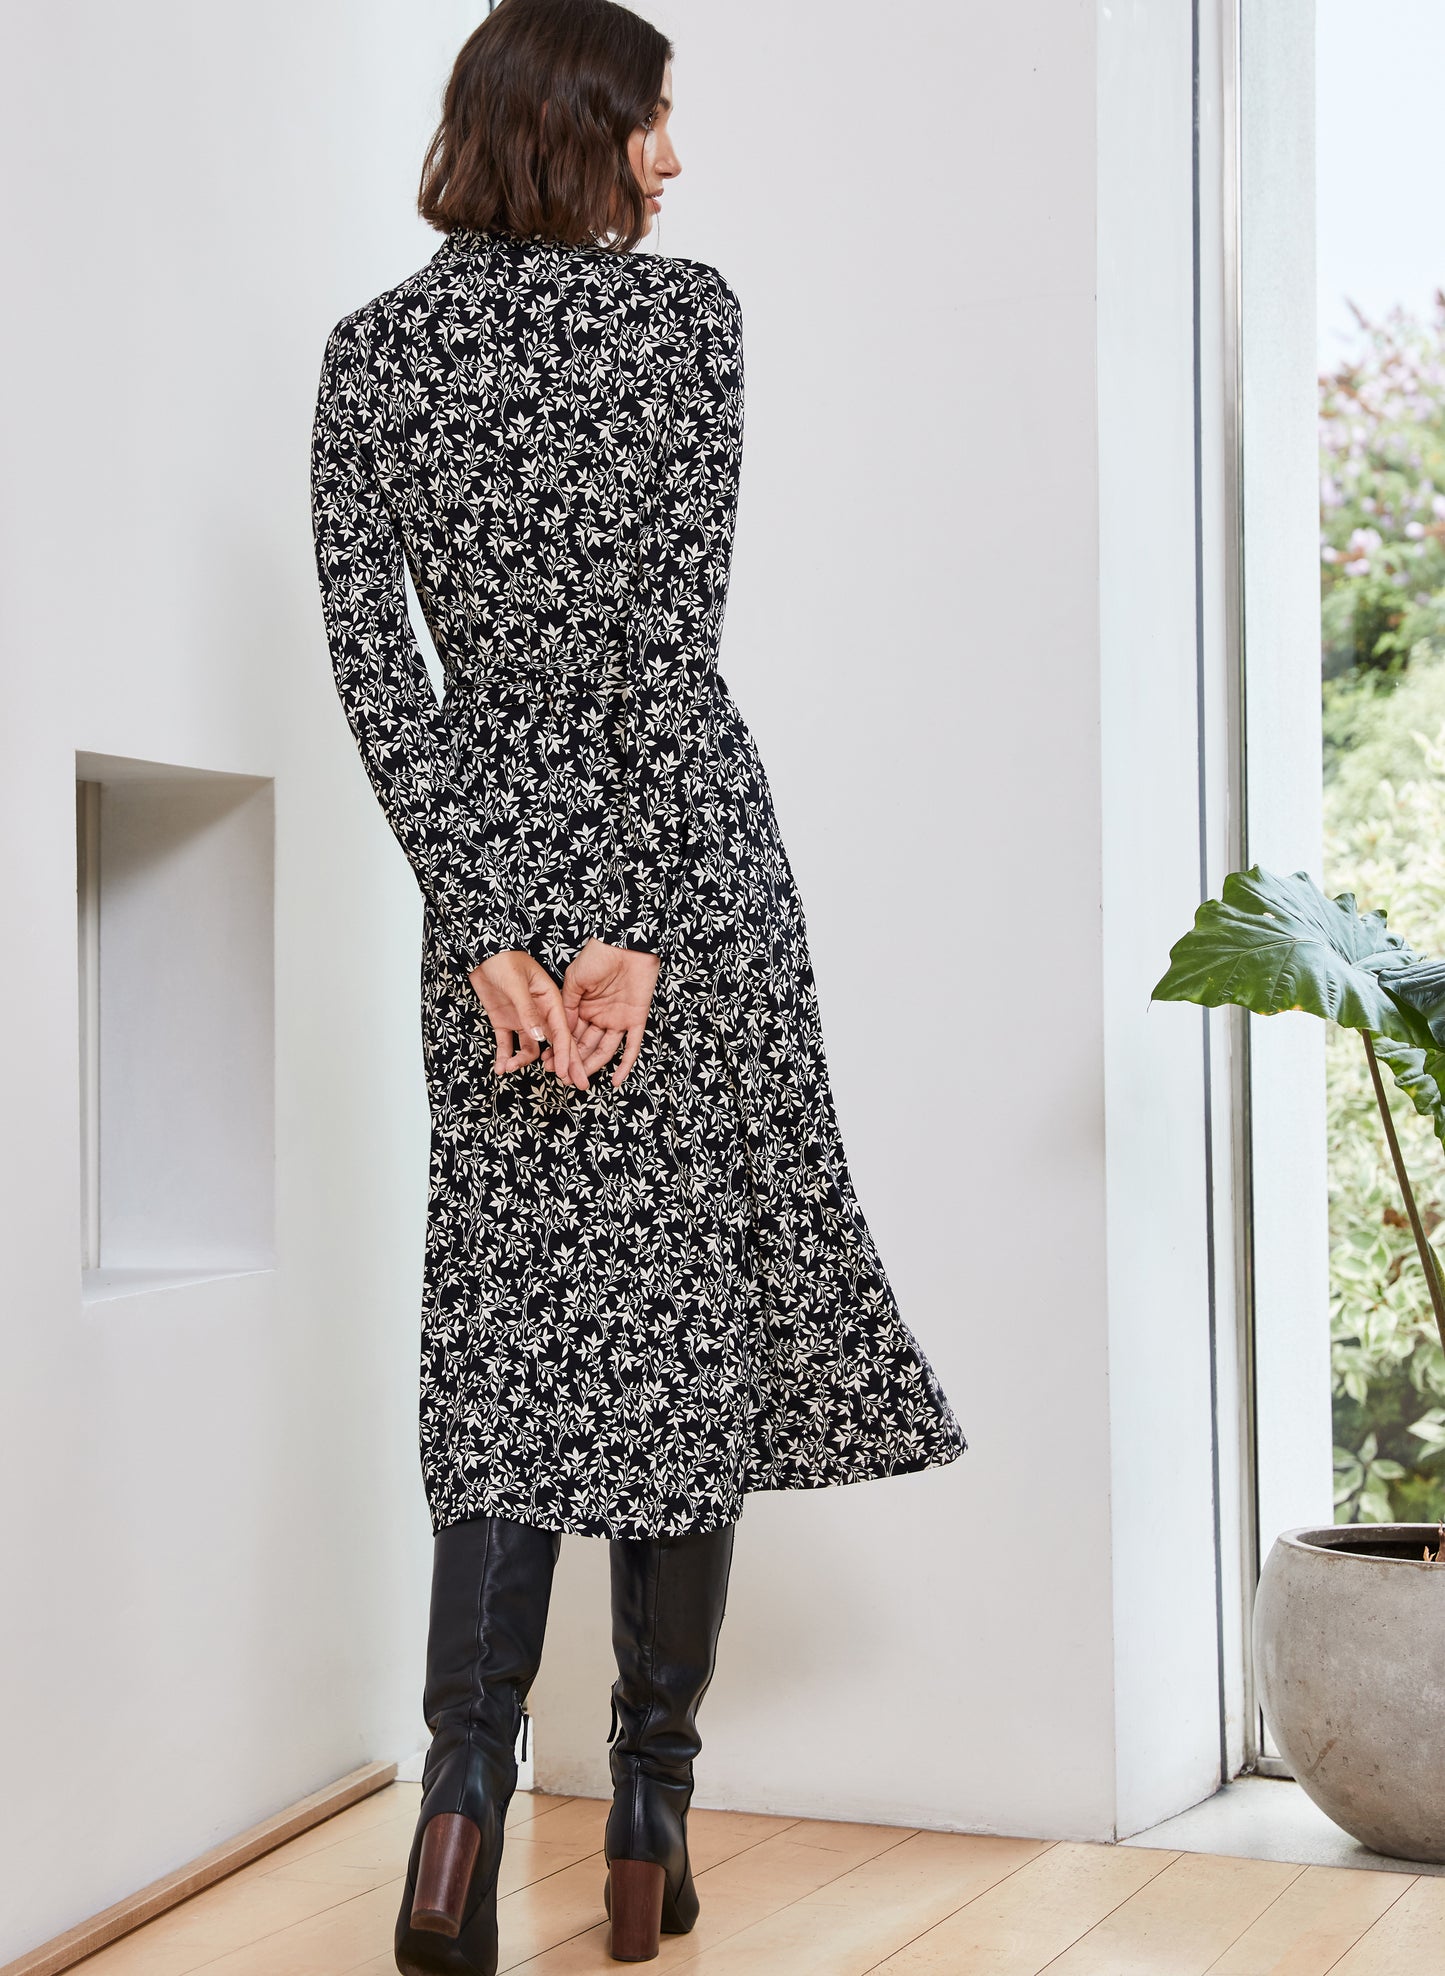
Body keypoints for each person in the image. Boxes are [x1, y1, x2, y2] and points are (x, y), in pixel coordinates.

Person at [309, 1, 968, 1967]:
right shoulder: (686, 321)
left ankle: (455, 1810)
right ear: (577, 121)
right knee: (677, 1337)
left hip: (493, 898)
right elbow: (671, 650)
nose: (673, 159)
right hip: (682, 866)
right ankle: (647, 1817)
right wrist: (646, 928)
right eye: (654, 119)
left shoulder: (370, 354)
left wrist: (491, 922)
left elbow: (377, 671)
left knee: (504, 1339)